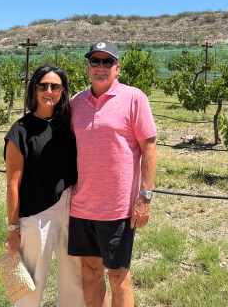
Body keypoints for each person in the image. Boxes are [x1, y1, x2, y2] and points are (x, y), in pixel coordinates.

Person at [68, 41, 158, 307]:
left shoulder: (134, 98)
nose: (101, 67)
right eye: (95, 61)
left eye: (107, 62)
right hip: (82, 206)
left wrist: (145, 197)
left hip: (117, 208)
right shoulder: (76, 102)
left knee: (119, 277)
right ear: (88, 68)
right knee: (90, 272)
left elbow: (149, 148)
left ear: (117, 68)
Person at [3, 65, 85, 306]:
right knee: (30, 284)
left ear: (63, 91)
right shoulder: (21, 131)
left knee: (74, 277)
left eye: (55, 86)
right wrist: (13, 229)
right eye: (43, 86)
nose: (48, 91)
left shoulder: (67, 126)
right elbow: (12, 185)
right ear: (34, 89)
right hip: (37, 215)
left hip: (71, 208)